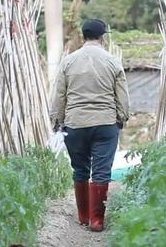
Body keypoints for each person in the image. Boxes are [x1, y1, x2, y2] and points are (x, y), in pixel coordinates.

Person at [49, 18, 130, 232]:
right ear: (102, 37)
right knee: (101, 172)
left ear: (83, 36)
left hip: (75, 123)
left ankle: (83, 216)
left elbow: (59, 95)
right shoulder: (112, 61)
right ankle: (97, 220)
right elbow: (122, 95)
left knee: (80, 169)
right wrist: (121, 117)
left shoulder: (68, 61)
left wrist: (57, 121)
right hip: (105, 123)